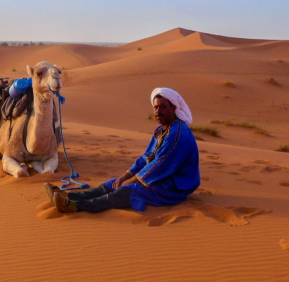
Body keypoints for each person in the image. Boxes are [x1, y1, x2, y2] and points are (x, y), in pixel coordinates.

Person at [45, 87, 200, 213]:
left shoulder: (178, 134)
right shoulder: (162, 130)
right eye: (155, 107)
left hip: (173, 186)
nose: (158, 111)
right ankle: (68, 196)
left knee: (127, 190)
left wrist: (131, 181)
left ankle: (74, 206)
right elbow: (146, 158)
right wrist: (125, 176)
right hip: (159, 178)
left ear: (173, 109)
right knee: (113, 183)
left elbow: (160, 165)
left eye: (163, 107)